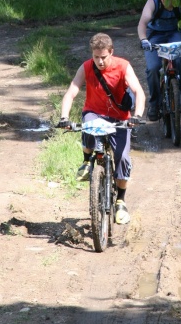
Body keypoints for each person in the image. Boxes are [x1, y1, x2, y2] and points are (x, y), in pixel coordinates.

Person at [58, 33, 145, 225]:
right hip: (94, 113)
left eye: (103, 57)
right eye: (96, 57)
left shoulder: (123, 66)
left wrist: (137, 116)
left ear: (111, 52)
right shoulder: (86, 66)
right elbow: (71, 92)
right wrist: (64, 117)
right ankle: (87, 161)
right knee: (87, 126)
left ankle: (121, 201)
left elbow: (139, 91)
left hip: (120, 118)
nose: (99, 61)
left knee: (122, 158)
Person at [137, 0, 181, 121]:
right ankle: (154, 104)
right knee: (153, 68)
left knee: (180, 59)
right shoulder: (153, 1)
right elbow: (142, 23)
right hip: (154, 35)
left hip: (174, 33)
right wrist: (144, 40)